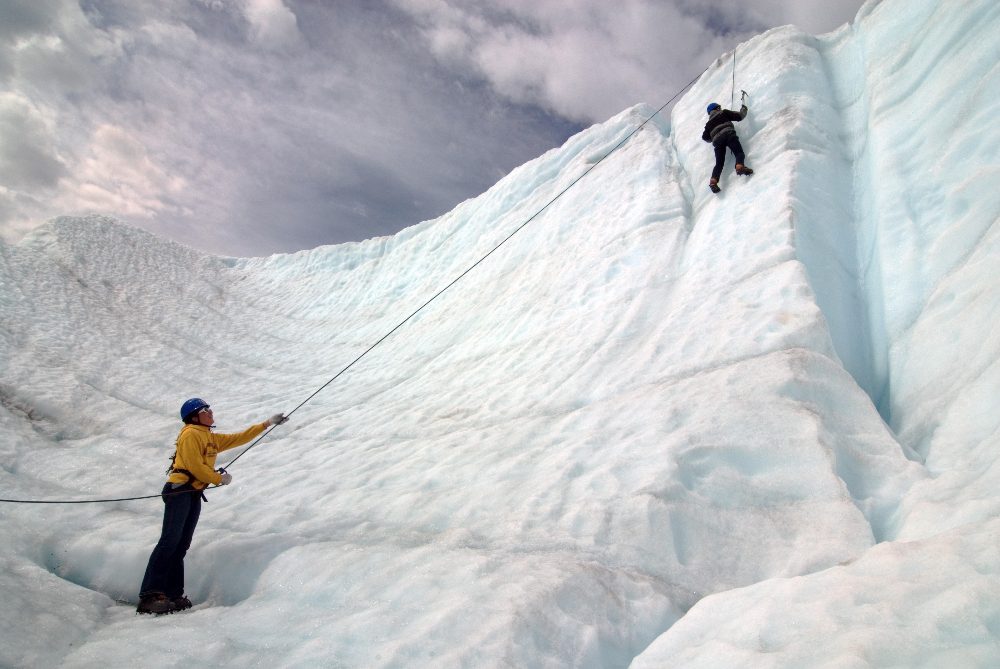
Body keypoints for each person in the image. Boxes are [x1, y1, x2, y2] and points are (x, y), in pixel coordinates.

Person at [136, 398, 288, 615]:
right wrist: (218, 479)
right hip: (179, 491)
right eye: (205, 410)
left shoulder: (208, 436)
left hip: (191, 494)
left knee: (180, 545)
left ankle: (172, 594)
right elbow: (195, 466)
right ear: (194, 416)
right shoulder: (190, 434)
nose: (210, 412)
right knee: (170, 541)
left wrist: (266, 423)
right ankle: (150, 595)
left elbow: (238, 438)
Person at [702, 102, 754, 193]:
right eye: (719, 107)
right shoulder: (724, 113)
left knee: (719, 164)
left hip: (717, 142)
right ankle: (740, 166)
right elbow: (739, 116)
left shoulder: (708, 124)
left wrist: (713, 136)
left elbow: (705, 137)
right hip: (728, 134)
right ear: (717, 108)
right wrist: (744, 108)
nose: (721, 108)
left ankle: (713, 181)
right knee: (738, 153)